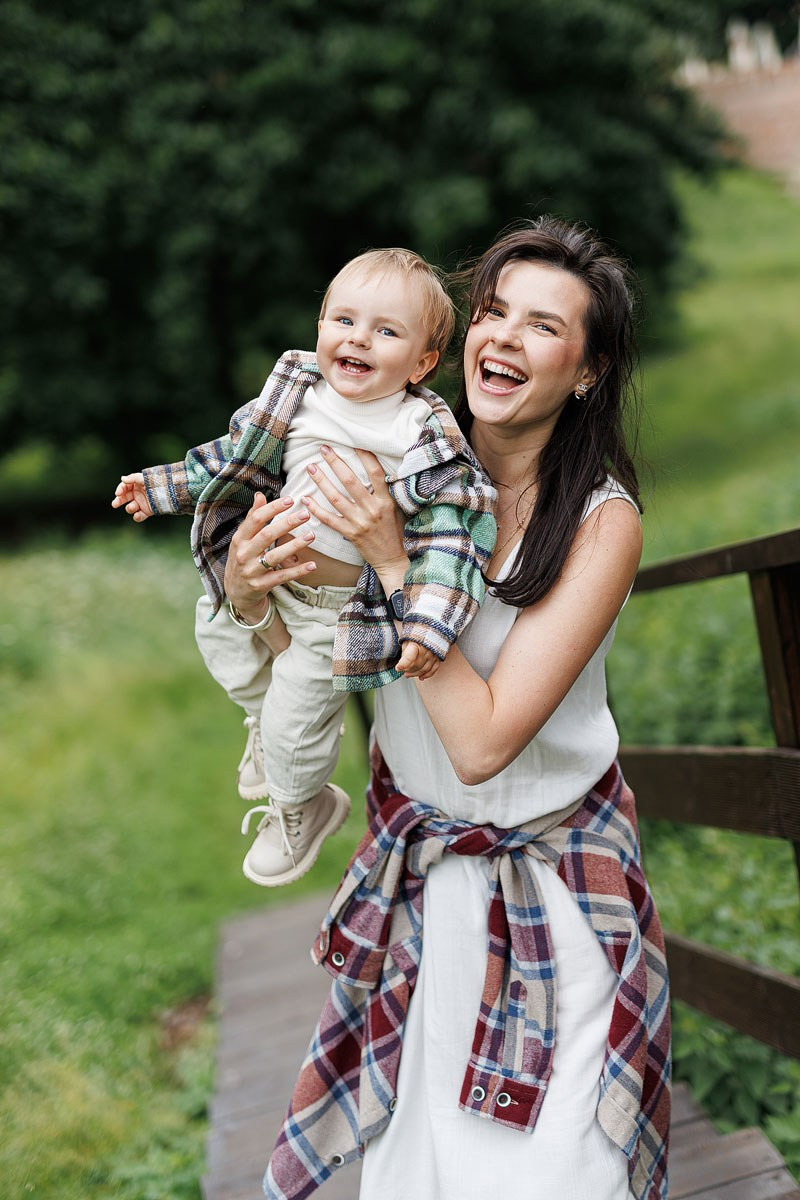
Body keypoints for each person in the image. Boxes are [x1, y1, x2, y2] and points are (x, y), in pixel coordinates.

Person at [219, 216, 671, 1200]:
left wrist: (390, 561)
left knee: (556, 1175)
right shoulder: (397, 458)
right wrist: (250, 587)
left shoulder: (600, 524)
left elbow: (480, 744)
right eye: (491, 311)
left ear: (585, 370)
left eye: (541, 326)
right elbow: (291, 649)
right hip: (424, 893)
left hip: (551, 896)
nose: (501, 337)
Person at [111, 248, 497, 888]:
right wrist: (163, 487)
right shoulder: (298, 395)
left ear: (423, 362)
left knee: (296, 723)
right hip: (273, 580)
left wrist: (427, 626)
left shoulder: (417, 430)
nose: (358, 339)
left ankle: (303, 805)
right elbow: (231, 457)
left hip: (333, 614)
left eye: (386, 331)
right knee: (218, 634)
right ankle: (262, 728)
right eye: (342, 319)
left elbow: (451, 533)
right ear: (319, 326)